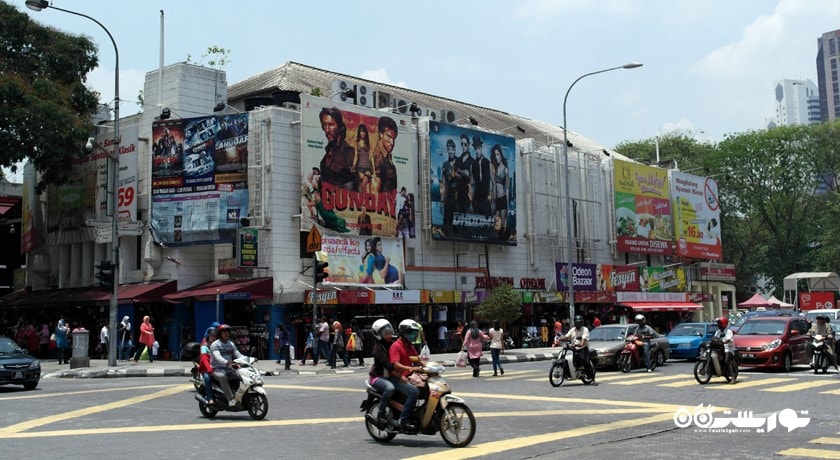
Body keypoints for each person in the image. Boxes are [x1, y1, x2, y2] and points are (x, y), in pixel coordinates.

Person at [389, 319, 422, 431]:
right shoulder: (396, 346)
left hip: (409, 376)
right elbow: (396, 365)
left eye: (415, 333)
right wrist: (410, 368)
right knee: (414, 392)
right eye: (411, 332)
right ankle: (403, 420)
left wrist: (430, 365)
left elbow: (417, 360)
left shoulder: (410, 346)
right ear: (403, 332)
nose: (414, 335)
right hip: (397, 377)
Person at [367, 319, 397, 428]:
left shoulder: (393, 344)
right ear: (379, 335)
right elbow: (387, 364)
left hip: (390, 375)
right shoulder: (377, 348)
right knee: (390, 388)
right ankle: (380, 414)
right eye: (386, 333)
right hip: (377, 377)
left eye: (390, 332)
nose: (389, 335)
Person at [318, 107, 357, 190]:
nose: (327, 130)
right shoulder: (328, 149)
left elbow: (351, 184)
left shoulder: (348, 151)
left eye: (331, 125)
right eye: (325, 125)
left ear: (339, 126)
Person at [210, 324, 245, 408]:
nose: (226, 334)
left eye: (227, 332)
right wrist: (225, 362)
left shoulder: (231, 344)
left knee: (241, 374)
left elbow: (238, 354)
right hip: (217, 369)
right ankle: (230, 399)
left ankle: (239, 395)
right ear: (220, 334)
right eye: (224, 332)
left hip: (228, 368)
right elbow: (217, 356)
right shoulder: (215, 344)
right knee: (222, 376)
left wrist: (248, 359)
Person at [556, 315, 597, 385]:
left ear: (582, 323)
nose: (578, 324)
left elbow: (583, 340)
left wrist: (580, 344)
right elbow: (566, 336)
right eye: (577, 322)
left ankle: (593, 379)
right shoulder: (572, 330)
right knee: (564, 356)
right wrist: (559, 339)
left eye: (579, 322)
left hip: (582, 349)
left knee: (586, 362)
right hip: (573, 348)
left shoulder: (585, 330)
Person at [371, 116, 399, 194]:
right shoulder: (378, 159)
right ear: (381, 134)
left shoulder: (386, 156)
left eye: (394, 138)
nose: (392, 143)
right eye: (389, 137)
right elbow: (374, 191)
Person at [470, 135, 492, 217]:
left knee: (488, 222)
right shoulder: (473, 165)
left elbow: (492, 183)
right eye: (475, 149)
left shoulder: (488, 163)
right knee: (477, 222)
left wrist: (492, 200)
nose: (477, 151)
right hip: (476, 200)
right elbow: (472, 185)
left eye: (478, 148)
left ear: (481, 148)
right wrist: (471, 203)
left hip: (486, 200)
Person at [490, 144, 509, 237]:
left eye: (498, 154)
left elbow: (507, 188)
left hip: (503, 198)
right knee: (495, 221)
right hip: (496, 199)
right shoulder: (495, 168)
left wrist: (507, 204)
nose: (496, 157)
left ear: (501, 155)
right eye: (495, 155)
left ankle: (502, 237)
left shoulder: (505, 169)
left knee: (502, 224)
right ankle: (496, 237)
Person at [441, 138, 459, 236]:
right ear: (447, 150)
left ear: (455, 150)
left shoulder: (459, 162)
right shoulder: (445, 165)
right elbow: (443, 184)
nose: (451, 151)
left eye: (452, 149)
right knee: (446, 223)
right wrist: (442, 201)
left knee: (456, 225)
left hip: (458, 198)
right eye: (449, 149)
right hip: (448, 198)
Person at [198, 327, 217, 405]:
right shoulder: (204, 346)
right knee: (208, 378)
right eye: (212, 336)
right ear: (209, 336)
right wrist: (209, 369)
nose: (213, 338)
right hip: (205, 368)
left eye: (215, 336)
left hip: (217, 367)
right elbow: (204, 359)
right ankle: (210, 398)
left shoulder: (218, 345)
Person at [454, 134, 473, 213]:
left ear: (468, 145)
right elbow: (454, 173)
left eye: (465, 144)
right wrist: (462, 172)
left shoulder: (472, 161)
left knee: (467, 217)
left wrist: (459, 171)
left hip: (468, 196)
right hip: (459, 195)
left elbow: (468, 174)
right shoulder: (458, 160)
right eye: (462, 144)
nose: (463, 146)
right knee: (457, 217)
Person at [354, 123, 374, 193]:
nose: (362, 133)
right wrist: (354, 165)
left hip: (368, 167)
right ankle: (365, 198)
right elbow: (356, 155)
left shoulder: (368, 142)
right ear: (359, 132)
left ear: (365, 133)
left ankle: (366, 198)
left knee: (363, 186)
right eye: (361, 131)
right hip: (360, 168)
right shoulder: (357, 143)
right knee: (362, 188)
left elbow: (371, 156)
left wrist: (374, 170)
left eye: (364, 131)